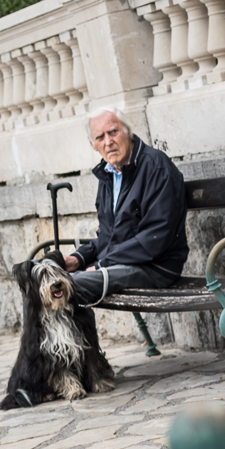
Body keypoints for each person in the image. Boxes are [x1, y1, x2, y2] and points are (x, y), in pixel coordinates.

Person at [65, 108, 189, 306]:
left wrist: (101, 265)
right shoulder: (108, 174)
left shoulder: (156, 165)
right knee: (36, 273)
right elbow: (109, 236)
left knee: (65, 285)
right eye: (100, 137)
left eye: (113, 132)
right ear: (93, 145)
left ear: (127, 131)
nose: (108, 142)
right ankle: (50, 338)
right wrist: (78, 258)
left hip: (156, 267)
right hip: (121, 263)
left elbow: (156, 237)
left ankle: (73, 337)